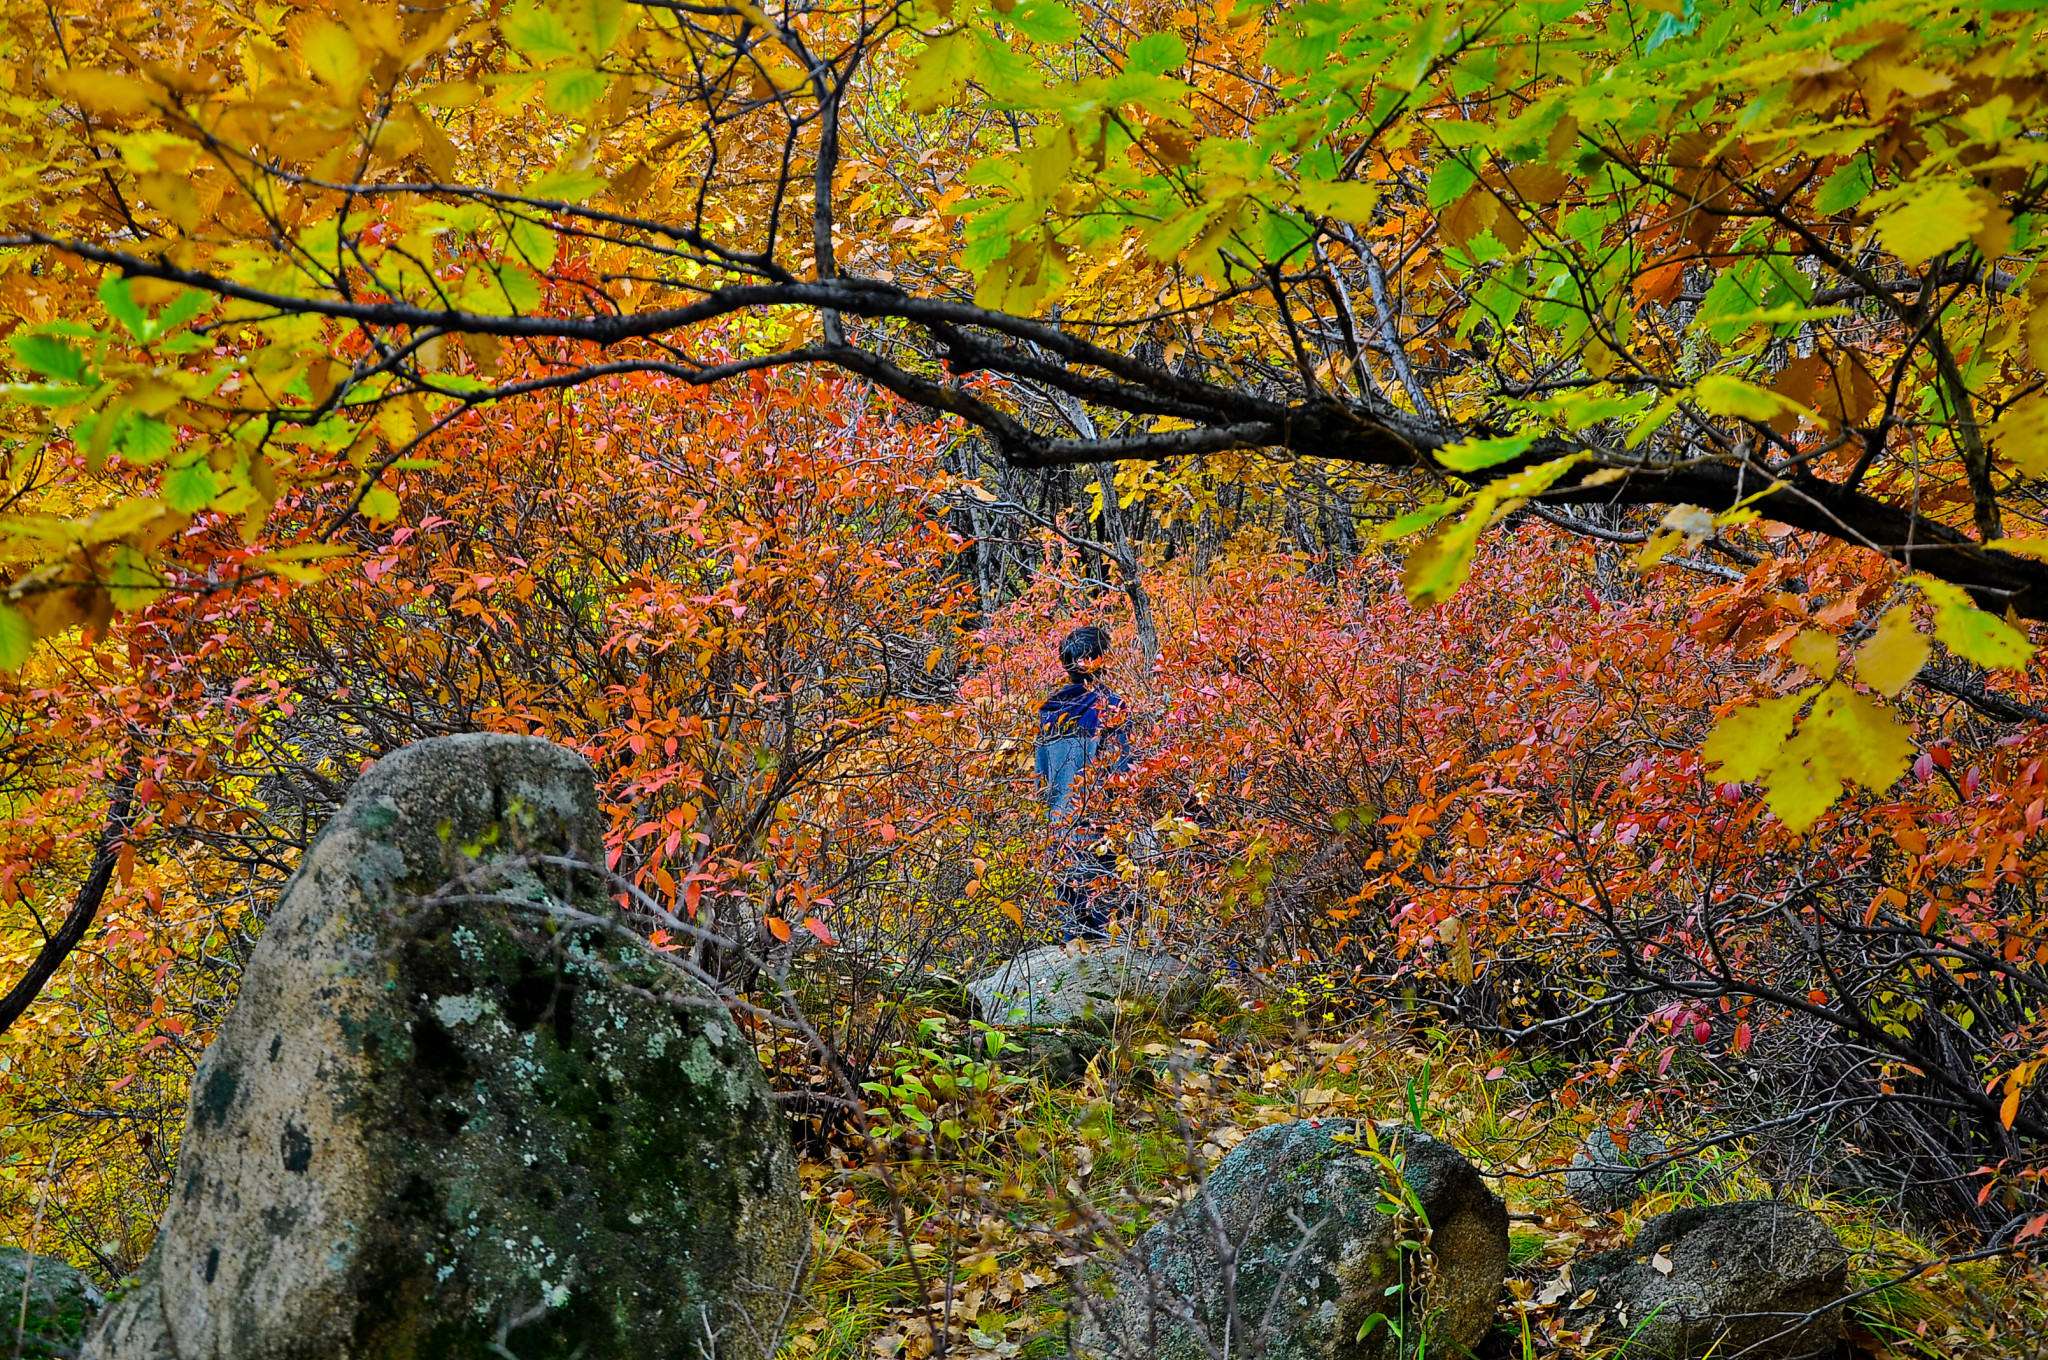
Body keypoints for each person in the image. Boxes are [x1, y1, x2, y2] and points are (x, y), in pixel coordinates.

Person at [1034, 625, 1132, 941]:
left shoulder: (1048, 712)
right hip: (1100, 826)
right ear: (1098, 660)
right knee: (1109, 924)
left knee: (1074, 929)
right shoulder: (1111, 707)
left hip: (1060, 827)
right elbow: (1123, 770)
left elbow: (1042, 780)